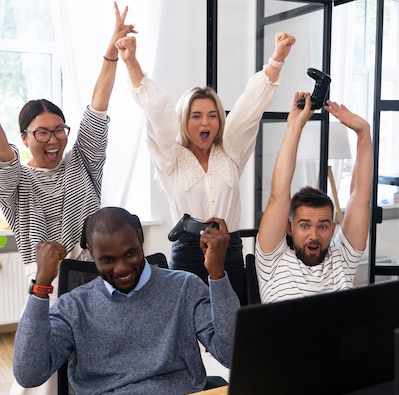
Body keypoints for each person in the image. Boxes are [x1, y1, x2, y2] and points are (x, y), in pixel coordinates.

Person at [0, 3, 137, 395]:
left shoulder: (82, 160)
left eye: (59, 130)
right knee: (40, 379)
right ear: (25, 137)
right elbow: (2, 156)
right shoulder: (18, 183)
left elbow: (98, 108)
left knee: (107, 368)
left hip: (98, 276)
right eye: (41, 133)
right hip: (47, 285)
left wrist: (110, 53)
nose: (53, 140)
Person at [114, 31, 296, 305]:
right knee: (186, 328)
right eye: (196, 116)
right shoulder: (171, 157)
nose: (205, 123)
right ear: (184, 120)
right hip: (188, 253)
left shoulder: (231, 152)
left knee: (232, 325)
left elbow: (249, 108)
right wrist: (131, 61)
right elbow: (158, 111)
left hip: (230, 250)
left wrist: (277, 58)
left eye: (213, 115)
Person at [13, 207, 240, 395]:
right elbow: (29, 373)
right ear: (91, 253)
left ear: (140, 238)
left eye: (130, 254)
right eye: (107, 260)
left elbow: (232, 355)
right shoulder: (74, 306)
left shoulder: (185, 287)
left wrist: (217, 274)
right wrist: (40, 286)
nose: (121, 268)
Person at [255, 93, 374, 303]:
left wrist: (364, 133)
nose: (314, 235)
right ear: (290, 228)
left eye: (322, 226)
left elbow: (359, 197)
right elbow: (279, 193)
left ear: (333, 229)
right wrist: (294, 127)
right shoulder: (273, 260)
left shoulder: (342, 259)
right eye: (304, 225)